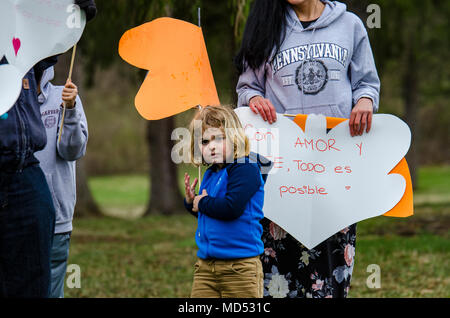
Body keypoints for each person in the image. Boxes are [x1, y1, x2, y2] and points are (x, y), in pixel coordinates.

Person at [235, 0, 380, 297]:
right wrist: (252, 99)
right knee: (278, 277)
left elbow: (366, 83)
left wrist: (365, 100)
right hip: (281, 170)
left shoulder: (350, 25)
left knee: (331, 269)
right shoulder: (267, 27)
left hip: (336, 167)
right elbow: (246, 87)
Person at [183, 105, 265, 298]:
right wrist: (192, 202)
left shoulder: (245, 168)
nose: (211, 146)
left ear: (234, 137)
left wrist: (202, 203)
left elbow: (231, 208)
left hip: (239, 268)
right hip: (206, 267)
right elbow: (211, 212)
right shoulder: (211, 173)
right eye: (204, 141)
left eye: (218, 138)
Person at [34, 66, 88, 298]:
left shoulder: (62, 96)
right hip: (13, 215)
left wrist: (70, 109)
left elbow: (71, 150)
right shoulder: (8, 100)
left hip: (56, 219)